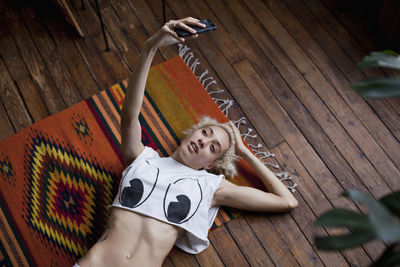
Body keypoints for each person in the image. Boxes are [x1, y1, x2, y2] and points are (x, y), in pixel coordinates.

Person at [75, 17, 298, 267]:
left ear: (210, 164)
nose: (204, 142)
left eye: (213, 147)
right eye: (204, 134)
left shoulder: (210, 187)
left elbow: (286, 201)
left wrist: (244, 152)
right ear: (191, 134)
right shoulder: (142, 158)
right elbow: (129, 116)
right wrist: (151, 47)